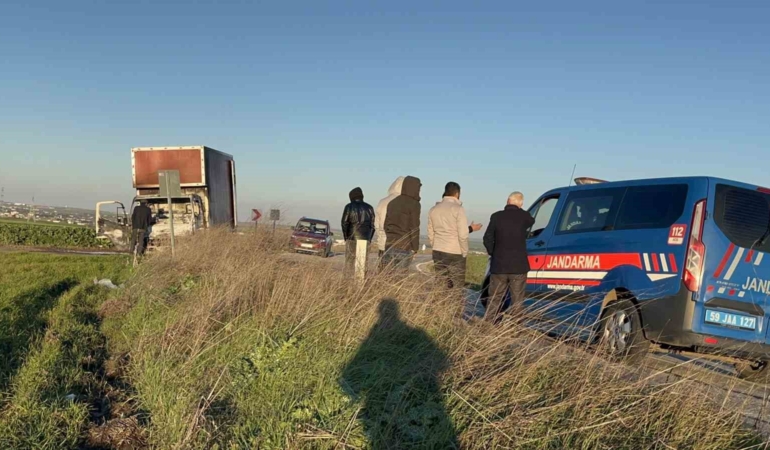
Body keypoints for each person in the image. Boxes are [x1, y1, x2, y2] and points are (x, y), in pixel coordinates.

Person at [483, 192, 535, 323]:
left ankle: (489, 324)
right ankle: (516, 327)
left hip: (499, 265)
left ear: (507, 201)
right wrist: (519, 209)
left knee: (494, 297)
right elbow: (532, 220)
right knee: (517, 300)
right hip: (518, 266)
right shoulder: (524, 216)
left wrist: (494, 253)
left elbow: (487, 238)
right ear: (521, 204)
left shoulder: (496, 216)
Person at [428, 182, 483, 293]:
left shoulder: (433, 209)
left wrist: (435, 245)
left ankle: (439, 303)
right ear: (457, 193)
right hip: (455, 252)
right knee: (456, 288)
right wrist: (464, 251)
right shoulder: (458, 209)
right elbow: (462, 234)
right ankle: (454, 305)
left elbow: (430, 232)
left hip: (438, 250)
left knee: (440, 284)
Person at [383, 176, 422, 272]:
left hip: (389, 244)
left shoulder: (392, 202)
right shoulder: (414, 204)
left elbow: (386, 225)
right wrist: (415, 248)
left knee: (388, 276)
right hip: (405, 246)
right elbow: (414, 228)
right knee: (400, 277)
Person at [341, 187, 375, 277]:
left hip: (352, 238)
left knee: (350, 262)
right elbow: (373, 226)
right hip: (365, 239)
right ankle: (360, 281)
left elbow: (344, 223)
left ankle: (348, 281)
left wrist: (346, 237)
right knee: (362, 263)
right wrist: (369, 239)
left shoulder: (349, 206)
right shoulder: (369, 208)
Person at [375, 176, 405, 258]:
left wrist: (380, 237)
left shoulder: (382, 201)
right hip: (400, 244)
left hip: (383, 242)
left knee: (383, 264)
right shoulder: (405, 202)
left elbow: (377, 224)